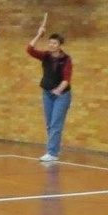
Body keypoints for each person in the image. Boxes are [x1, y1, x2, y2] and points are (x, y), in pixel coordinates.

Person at [27, 16, 72, 163]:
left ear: (60, 45)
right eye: (50, 42)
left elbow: (66, 78)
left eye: (55, 43)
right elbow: (30, 49)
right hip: (47, 93)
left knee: (55, 124)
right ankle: (53, 150)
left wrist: (59, 90)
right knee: (49, 124)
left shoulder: (66, 59)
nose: (52, 45)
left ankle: (52, 153)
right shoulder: (45, 56)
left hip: (62, 95)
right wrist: (39, 34)